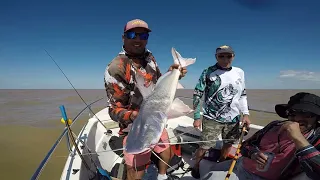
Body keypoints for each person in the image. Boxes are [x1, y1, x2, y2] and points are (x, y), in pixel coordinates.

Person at [104, 19, 187, 180]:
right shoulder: (117, 67)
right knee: (136, 167)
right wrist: (137, 116)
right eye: (132, 34)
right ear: (124, 37)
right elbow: (114, 110)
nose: (138, 39)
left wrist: (173, 74)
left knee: (165, 151)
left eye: (143, 35)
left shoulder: (149, 57)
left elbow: (157, 84)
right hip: (136, 127)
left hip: (157, 117)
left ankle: (162, 176)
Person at [201, 92, 320, 180]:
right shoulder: (274, 125)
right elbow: (246, 145)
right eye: (293, 113)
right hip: (241, 163)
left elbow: (316, 170)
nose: (297, 119)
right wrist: (253, 153)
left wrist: (297, 137)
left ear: (316, 118)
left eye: (306, 115)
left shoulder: (316, 138)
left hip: (258, 177)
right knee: (211, 169)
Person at [191, 45, 251, 178]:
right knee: (205, 146)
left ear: (233, 56)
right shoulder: (208, 71)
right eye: (221, 56)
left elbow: (242, 95)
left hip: (233, 119)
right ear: (216, 57)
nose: (225, 59)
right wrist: (197, 116)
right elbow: (197, 94)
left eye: (228, 56)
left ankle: (222, 163)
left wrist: (246, 114)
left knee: (228, 144)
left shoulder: (239, 72)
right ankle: (196, 165)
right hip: (211, 118)